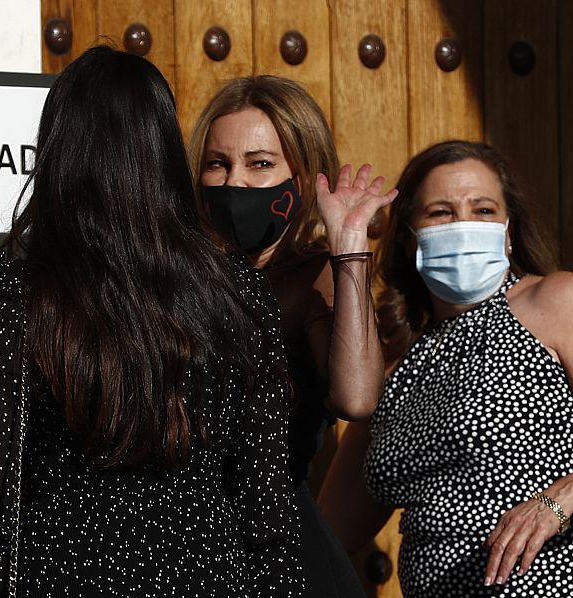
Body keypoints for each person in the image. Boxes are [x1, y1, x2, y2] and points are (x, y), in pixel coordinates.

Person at [0, 46, 301, 597]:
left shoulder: (25, 289)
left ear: (60, 151)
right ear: (164, 153)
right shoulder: (237, 290)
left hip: (61, 574)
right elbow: (266, 499)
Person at [328, 140, 573, 597]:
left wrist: (558, 502)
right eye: (440, 212)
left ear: (509, 232)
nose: (463, 224)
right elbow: (333, 529)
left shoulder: (553, 301)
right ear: (409, 235)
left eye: (483, 209)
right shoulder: (396, 368)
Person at [189, 76, 396, 597]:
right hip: (181, 545)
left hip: (276, 551)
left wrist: (347, 244)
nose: (235, 182)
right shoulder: (184, 279)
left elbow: (357, 396)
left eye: (261, 164)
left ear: (301, 180)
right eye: (218, 164)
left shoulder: (315, 277)